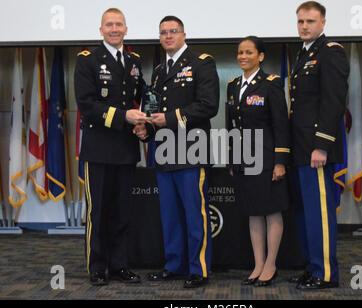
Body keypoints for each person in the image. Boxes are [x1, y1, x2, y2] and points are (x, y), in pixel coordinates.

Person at [135, 16, 219, 288]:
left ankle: (199, 269)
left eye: (173, 31)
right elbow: (155, 109)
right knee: (170, 215)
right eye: (163, 32)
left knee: (195, 214)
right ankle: (174, 264)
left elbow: (208, 106)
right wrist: (147, 129)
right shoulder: (159, 70)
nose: (168, 36)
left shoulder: (201, 62)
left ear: (184, 34)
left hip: (191, 150)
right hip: (164, 151)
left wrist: (169, 119)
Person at [74, 8, 148, 286]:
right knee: (98, 212)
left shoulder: (133, 60)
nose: (114, 29)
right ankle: (97, 266)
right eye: (109, 25)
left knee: (121, 211)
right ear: (101, 29)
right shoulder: (87, 60)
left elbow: (142, 97)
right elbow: (87, 106)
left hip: (126, 148)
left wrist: (146, 122)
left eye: (119, 25)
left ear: (126, 29)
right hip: (99, 148)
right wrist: (124, 116)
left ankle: (119, 265)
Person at [288, 1, 349, 290]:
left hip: (316, 150)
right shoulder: (304, 55)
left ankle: (325, 274)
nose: (304, 26)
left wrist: (322, 145)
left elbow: (334, 102)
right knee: (305, 212)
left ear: (323, 23)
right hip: (300, 149)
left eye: (310, 21)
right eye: (300, 21)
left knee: (319, 214)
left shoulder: (330, 53)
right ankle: (311, 267)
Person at [226, 36, 290, 287]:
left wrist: (280, 161)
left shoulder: (271, 84)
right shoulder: (233, 85)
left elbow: (281, 126)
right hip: (244, 159)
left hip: (266, 159)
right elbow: (232, 125)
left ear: (260, 56)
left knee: (271, 211)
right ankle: (258, 263)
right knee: (253, 211)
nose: (243, 56)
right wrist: (232, 158)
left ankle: (271, 264)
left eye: (249, 52)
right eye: (240, 52)